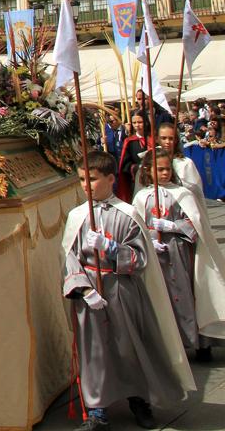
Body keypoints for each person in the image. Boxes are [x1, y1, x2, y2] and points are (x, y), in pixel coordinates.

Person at [61, 150, 193, 430]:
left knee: (129, 345)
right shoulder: (77, 216)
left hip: (122, 289)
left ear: (111, 179)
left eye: (93, 179)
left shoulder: (128, 213)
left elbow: (140, 258)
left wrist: (112, 248)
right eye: (82, 179)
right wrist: (84, 290)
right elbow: (69, 256)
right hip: (91, 292)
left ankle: (139, 399)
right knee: (94, 350)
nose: (87, 185)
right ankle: (97, 409)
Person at [134, 149, 225, 361]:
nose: (165, 173)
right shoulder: (142, 197)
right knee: (162, 297)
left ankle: (200, 344)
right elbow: (135, 226)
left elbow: (195, 224)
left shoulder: (182, 194)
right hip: (157, 256)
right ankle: (170, 345)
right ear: (148, 170)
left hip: (180, 253)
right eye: (160, 169)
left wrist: (172, 225)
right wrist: (149, 237)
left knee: (187, 294)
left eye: (168, 169)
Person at [116, 110, 151, 201]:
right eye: (134, 123)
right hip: (137, 181)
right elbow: (125, 164)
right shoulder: (129, 141)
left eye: (140, 122)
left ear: (146, 122)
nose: (137, 125)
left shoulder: (153, 139)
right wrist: (136, 168)